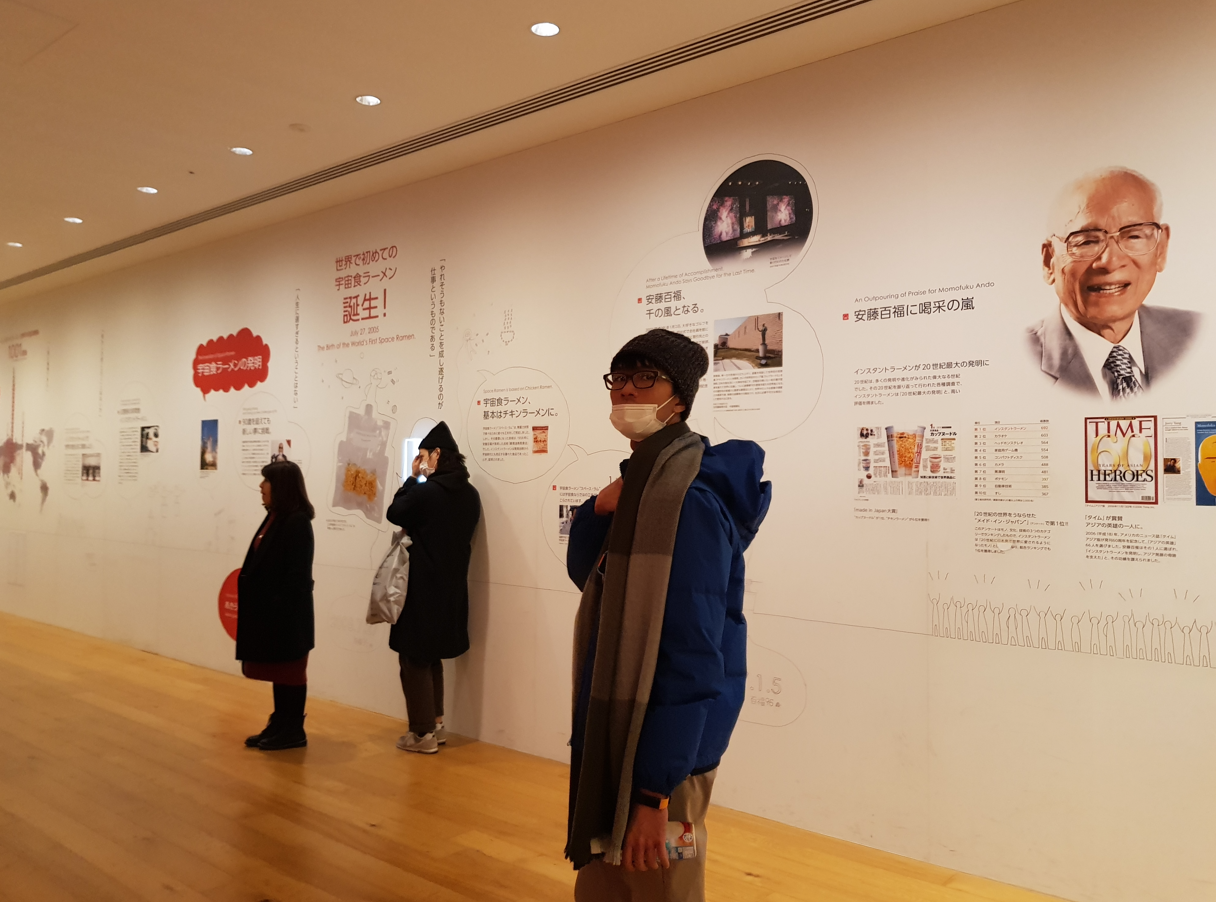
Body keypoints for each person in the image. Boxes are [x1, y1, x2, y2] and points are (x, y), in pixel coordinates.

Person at [565, 328, 771, 901]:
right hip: (624, 731)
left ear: (679, 397)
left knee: (663, 883)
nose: (626, 391)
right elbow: (588, 576)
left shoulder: (689, 501)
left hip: (665, 757)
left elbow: (692, 655)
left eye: (645, 378)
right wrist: (596, 508)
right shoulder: (640, 487)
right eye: (619, 378)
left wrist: (653, 795)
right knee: (608, 881)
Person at [1028, 167, 1200, 398]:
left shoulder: (1200, 335)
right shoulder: (1019, 360)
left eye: (1133, 236)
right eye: (1086, 241)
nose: (1110, 262)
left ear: (1161, 249)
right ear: (1049, 261)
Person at [386, 422, 481, 754]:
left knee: (413, 659)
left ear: (437, 454)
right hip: (452, 588)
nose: (420, 461)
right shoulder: (470, 494)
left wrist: (412, 478)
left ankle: (421, 733)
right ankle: (436, 725)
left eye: (423, 455)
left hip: (420, 588)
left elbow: (395, 512)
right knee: (432, 657)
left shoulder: (426, 492)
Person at [236, 460, 315, 751]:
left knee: (291, 671)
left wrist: (278, 604)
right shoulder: (276, 516)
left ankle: (293, 729)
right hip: (273, 611)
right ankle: (280, 723)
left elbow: (297, 575)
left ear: (281, 487)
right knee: (280, 670)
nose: (261, 486)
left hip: (287, 614)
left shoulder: (296, 522)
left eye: (266, 481)